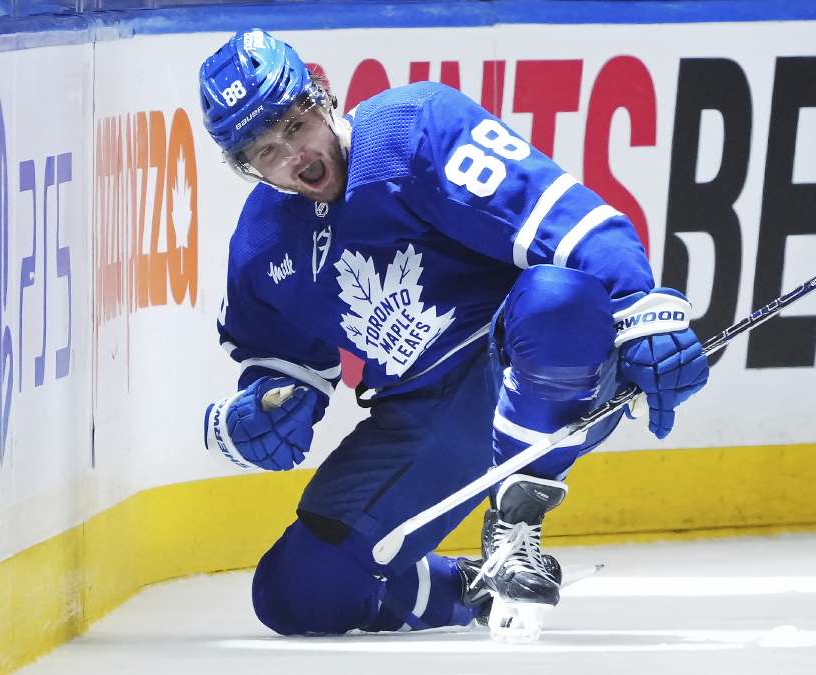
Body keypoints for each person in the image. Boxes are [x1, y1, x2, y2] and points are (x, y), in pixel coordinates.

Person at [198, 29, 708, 642]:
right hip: (420, 421)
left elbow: (576, 225)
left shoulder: (413, 129)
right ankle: (467, 590)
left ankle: (515, 527)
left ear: (321, 95)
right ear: (245, 166)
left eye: (295, 123)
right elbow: (277, 366)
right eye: (264, 149)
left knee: (559, 298)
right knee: (298, 593)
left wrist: (640, 307)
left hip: (528, 366)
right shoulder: (260, 242)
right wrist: (260, 411)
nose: (293, 154)